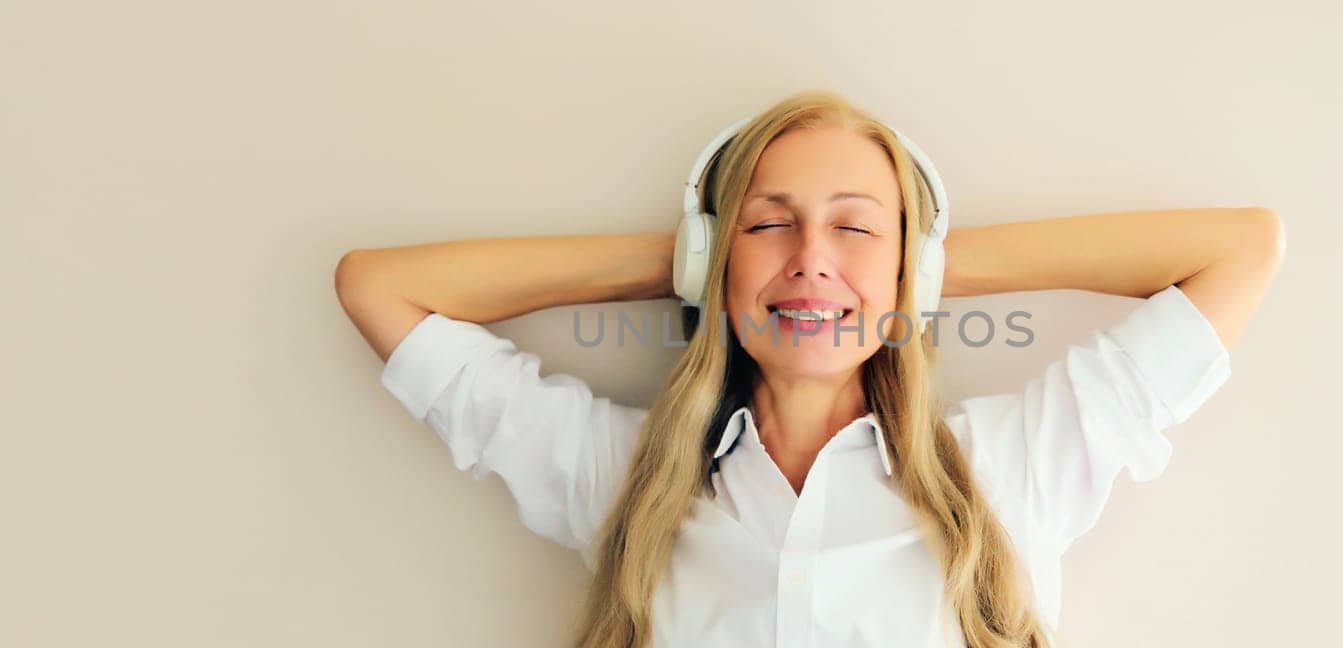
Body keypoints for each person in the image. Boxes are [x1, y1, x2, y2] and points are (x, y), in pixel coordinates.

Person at [334, 89, 1284, 648]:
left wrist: (925, 268)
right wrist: (692, 262)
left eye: (857, 226)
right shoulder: (624, 480)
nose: (812, 257)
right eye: (768, 221)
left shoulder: (1008, 470)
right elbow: (382, 288)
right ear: (712, 254)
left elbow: (1242, 248)